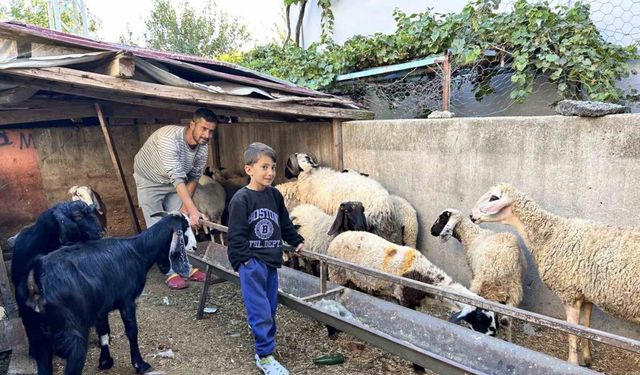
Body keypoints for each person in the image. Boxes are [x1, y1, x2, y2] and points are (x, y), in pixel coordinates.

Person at [227, 142, 304, 375]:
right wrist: (245, 261)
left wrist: (295, 239)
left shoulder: (275, 195)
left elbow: (284, 222)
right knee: (260, 310)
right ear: (249, 169)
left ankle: (263, 341)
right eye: (264, 167)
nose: (270, 173)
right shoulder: (241, 200)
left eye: (272, 167)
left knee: (269, 308)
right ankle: (265, 356)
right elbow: (236, 235)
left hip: (271, 261)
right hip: (251, 263)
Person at [133, 108, 216, 289]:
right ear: (192, 124)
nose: (207, 135)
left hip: (174, 182)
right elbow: (176, 176)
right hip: (149, 180)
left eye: (211, 131)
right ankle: (170, 272)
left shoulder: (203, 146)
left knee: (179, 223)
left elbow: (194, 176)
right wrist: (193, 210)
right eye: (203, 129)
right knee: (157, 226)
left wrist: (186, 210)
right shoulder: (169, 138)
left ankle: (185, 267)